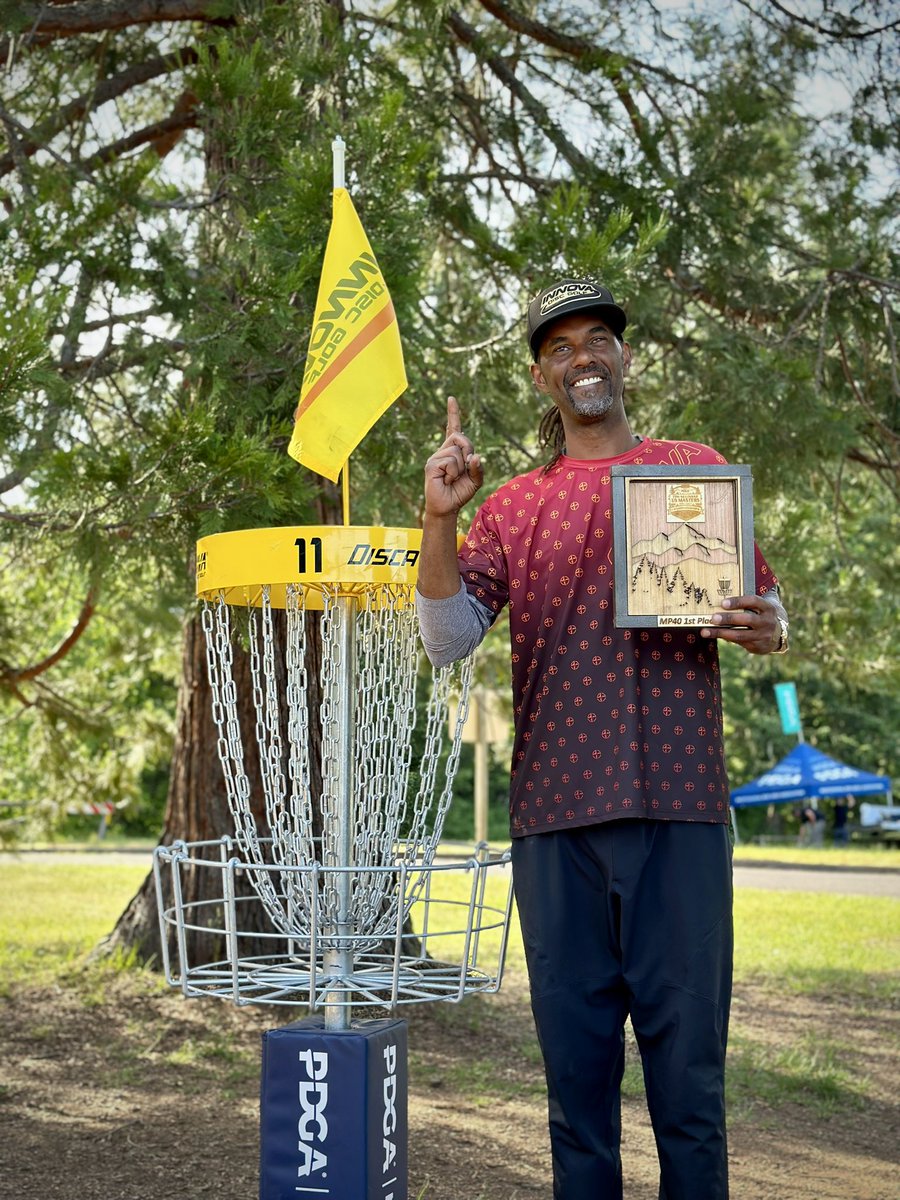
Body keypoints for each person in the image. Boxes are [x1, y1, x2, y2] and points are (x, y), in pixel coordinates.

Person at [415, 279, 789, 1200]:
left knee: (690, 1085)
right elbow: (448, 636)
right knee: (577, 1093)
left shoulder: (689, 471)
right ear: (543, 378)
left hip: (681, 810)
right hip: (557, 819)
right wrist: (438, 518)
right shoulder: (511, 506)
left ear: (623, 358)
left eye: (598, 340)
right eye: (561, 348)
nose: (583, 357)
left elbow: (766, 607)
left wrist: (767, 623)